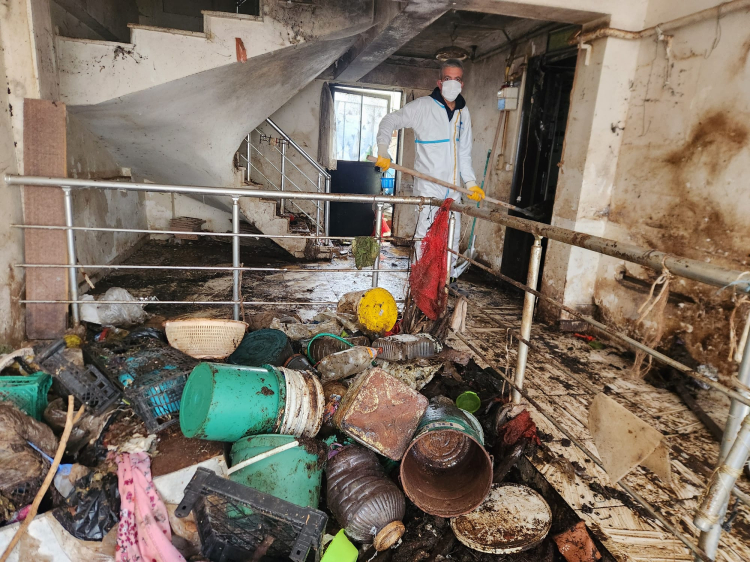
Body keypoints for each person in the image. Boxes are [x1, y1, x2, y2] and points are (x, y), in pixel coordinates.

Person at [375, 58, 484, 277]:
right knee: (425, 237)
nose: (452, 83)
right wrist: (383, 148)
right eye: (448, 78)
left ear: (462, 84)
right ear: (440, 82)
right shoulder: (423, 106)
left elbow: (464, 152)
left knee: (451, 238)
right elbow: (390, 120)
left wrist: (471, 182)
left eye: (457, 79)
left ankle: (446, 282)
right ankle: (420, 280)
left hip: (453, 189)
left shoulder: (463, 112)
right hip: (429, 187)